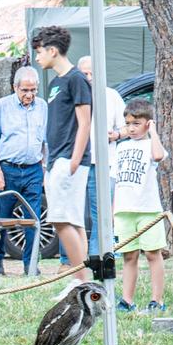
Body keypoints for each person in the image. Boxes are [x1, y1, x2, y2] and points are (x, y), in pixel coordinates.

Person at [33, 25, 93, 279]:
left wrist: (74, 160)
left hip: (69, 160)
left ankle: (82, 282)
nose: (37, 58)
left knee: (60, 220)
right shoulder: (56, 82)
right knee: (73, 221)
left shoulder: (76, 78)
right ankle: (83, 282)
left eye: (39, 52)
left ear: (53, 51)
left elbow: (85, 122)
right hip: (57, 158)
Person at [0, 65, 47, 276]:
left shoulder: (42, 106)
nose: (29, 95)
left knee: (33, 219)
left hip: (33, 170)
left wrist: (44, 167)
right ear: (15, 87)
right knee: (2, 218)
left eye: (33, 90)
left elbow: (44, 140)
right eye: (25, 90)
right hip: (8, 169)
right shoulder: (2, 106)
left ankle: (30, 265)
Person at [109, 101, 168, 313]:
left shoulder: (150, 145)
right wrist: (113, 211)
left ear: (147, 123)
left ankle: (157, 300)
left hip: (148, 209)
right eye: (128, 124)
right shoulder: (121, 147)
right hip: (124, 211)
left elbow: (159, 156)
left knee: (153, 254)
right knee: (129, 257)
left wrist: (153, 132)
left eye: (137, 123)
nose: (132, 128)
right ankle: (127, 300)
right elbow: (115, 181)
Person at [78, 56, 124, 258]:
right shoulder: (74, 96)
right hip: (78, 163)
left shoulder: (111, 96)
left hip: (104, 164)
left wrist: (116, 135)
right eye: (84, 74)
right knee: (74, 214)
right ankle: (72, 257)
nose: (88, 77)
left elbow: (125, 125)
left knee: (102, 213)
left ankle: (100, 253)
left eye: (91, 73)